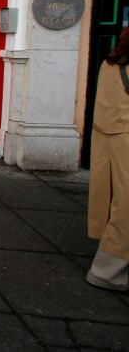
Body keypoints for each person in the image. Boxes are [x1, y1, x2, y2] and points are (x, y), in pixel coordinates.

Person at [87, 26, 129, 291]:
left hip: (108, 136)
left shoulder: (109, 62)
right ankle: (108, 271)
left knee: (114, 198)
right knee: (124, 207)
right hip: (123, 136)